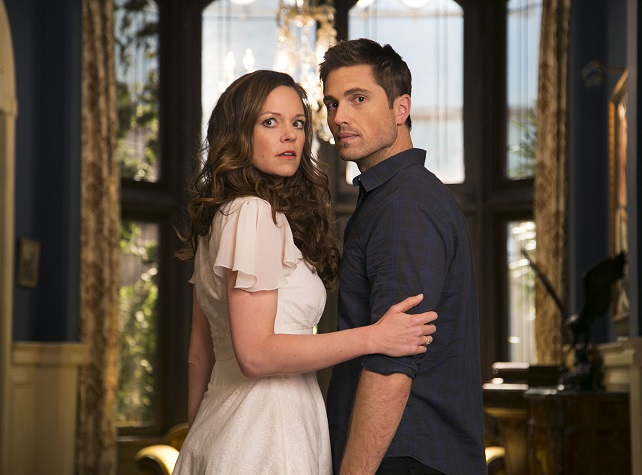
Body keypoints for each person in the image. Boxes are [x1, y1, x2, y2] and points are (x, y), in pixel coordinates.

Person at [173, 70, 437, 474]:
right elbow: (255, 355)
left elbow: (199, 355)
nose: (290, 136)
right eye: (270, 122)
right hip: (268, 432)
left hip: (223, 427)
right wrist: (374, 337)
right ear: (238, 133)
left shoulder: (218, 219)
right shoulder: (253, 213)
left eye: (298, 123)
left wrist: (201, 438)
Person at [320, 38, 487, 474]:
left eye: (358, 99)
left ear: (401, 108)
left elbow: (392, 362)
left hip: (403, 457)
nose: (339, 117)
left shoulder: (404, 205)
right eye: (332, 103)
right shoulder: (392, 197)